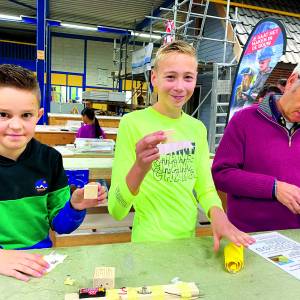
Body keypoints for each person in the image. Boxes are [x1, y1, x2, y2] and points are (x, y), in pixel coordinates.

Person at [108, 40, 254, 250]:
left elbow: (205, 188)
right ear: (154, 78)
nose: (179, 87)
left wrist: (218, 215)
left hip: (188, 244)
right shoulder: (132, 124)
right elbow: (116, 210)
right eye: (170, 76)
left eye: (188, 77)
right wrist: (139, 167)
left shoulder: (197, 128)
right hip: (146, 246)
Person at [0, 64, 107, 281]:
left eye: (26, 115)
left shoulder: (50, 159)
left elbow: (61, 225)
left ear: (38, 115)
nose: (16, 125)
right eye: (3, 114)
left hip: (39, 262)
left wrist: (75, 207)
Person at [212, 63, 300, 233]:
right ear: (291, 81)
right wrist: (274, 188)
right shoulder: (244, 120)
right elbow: (221, 174)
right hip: (249, 237)